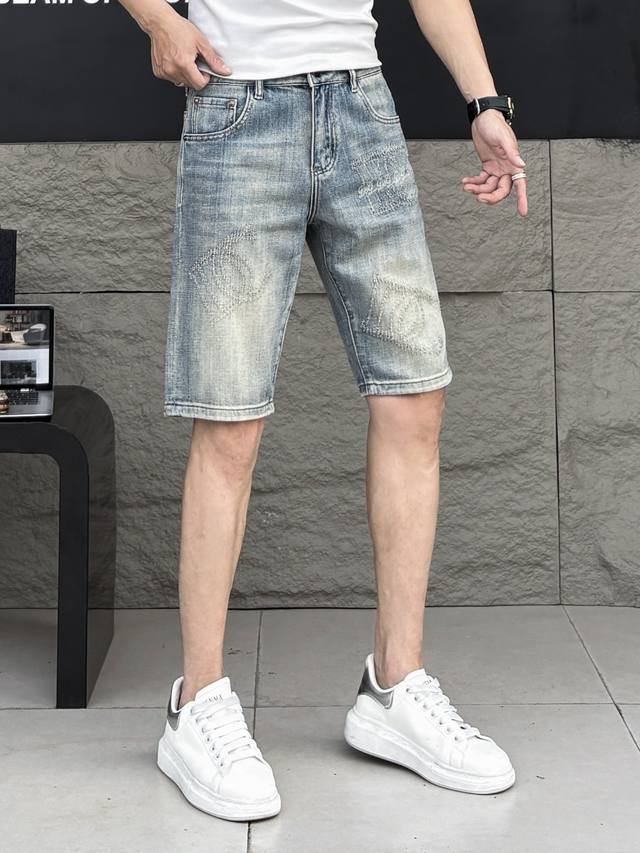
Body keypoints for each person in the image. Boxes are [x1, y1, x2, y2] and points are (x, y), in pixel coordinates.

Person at [118, 0, 528, 822]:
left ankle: (394, 686)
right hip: (238, 104)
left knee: (415, 395)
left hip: (361, 107)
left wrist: (484, 102)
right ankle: (197, 701)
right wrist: (157, 19)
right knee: (229, 417)